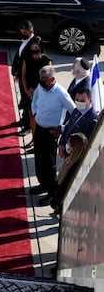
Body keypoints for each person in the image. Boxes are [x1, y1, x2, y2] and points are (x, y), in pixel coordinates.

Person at [30, 65, 76, 204]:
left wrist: (62, 128)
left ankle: (51, 192)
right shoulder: (41, 87)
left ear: (52, 79)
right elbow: (35, 99)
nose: (41, 81)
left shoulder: (61, 94)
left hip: (51, 132)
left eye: (44, 79)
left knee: (49, 163)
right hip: (39, 129)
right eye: (40, 78)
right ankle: (43, 184)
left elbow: (74, 113)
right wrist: (35, 112)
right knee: (39, 157)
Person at [21, 39, 52, 150]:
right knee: (31, 117)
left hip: (41, 94)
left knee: (38, 118)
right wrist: (26, 89)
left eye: (36, 48)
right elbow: (23, 75)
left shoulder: (46, 60)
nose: (34, 50)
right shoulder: (27, 58)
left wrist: (39, 92)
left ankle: (38, 142)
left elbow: (50, 79)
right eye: (32, 48)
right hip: (29, 92)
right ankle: (33, 139)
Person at [12, 21, 41, 134]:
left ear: (31, 31)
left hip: (30, 79)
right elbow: (19, 56)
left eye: (25, 32)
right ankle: (24, 120)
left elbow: (31, 62)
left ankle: (29, 126)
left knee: (29, 103)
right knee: (24, 100)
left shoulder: (35, 43)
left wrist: (22, 75)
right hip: (22, 76)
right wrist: (17, 73)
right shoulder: (25, 41)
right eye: (22, 31)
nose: (22, 33)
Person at [49, 132, 89, 213]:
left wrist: (55, 203)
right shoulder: (75, 160)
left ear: (74, 148)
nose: (67, 147)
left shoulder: (74, 167)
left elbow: (64, 187)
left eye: (69, 145)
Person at [58, 88, 98, 158]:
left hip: (77, 157)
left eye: (82, 101)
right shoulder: (76, 111)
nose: (79, 102)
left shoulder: (92, 120)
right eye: (77, 100)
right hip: (68, 153)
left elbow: (85, 143)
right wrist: (61, 144)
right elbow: (68, 127)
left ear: (90, 101)